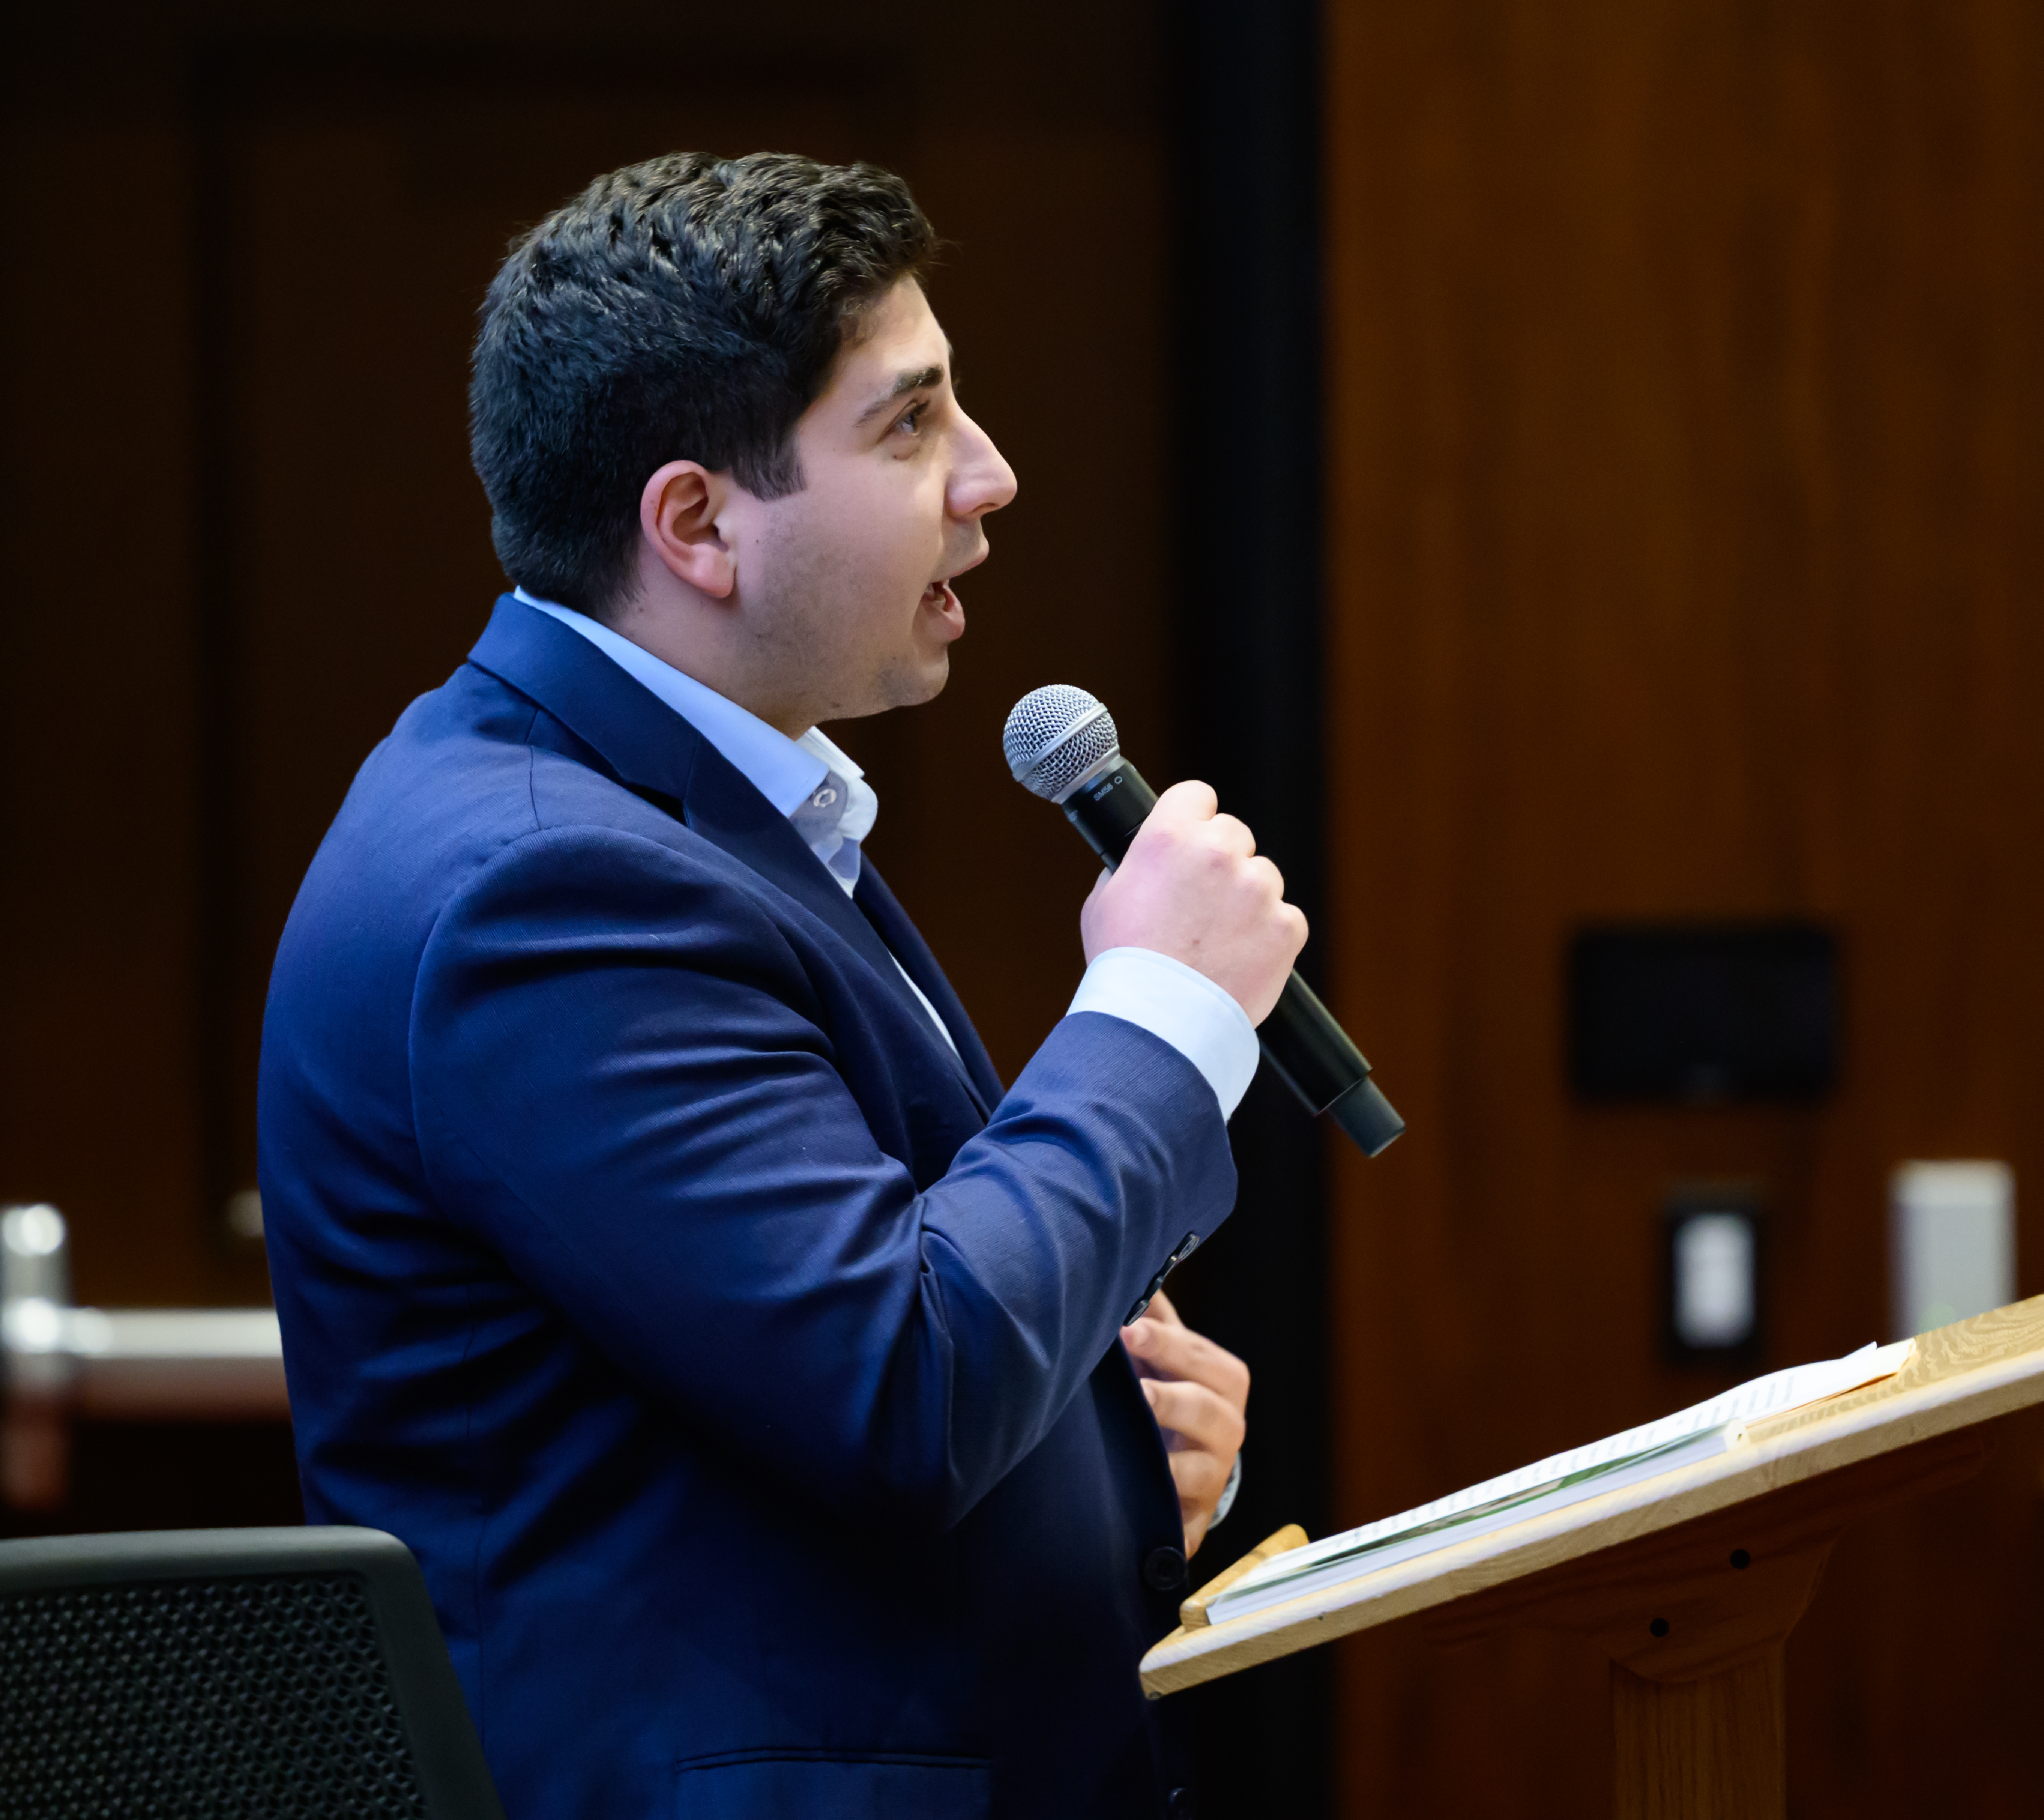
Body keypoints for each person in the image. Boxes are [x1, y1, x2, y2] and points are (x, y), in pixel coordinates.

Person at [258, 151, 1304, 1820]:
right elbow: (904, 1377)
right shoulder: (539, 883)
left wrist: (1111, 1445)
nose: (991, 475)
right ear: (697, 524)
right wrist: (1161, 1013)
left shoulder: (682, 811)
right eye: (909, 425)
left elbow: (800, 1365)